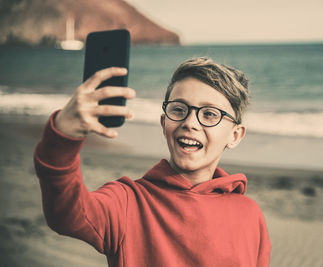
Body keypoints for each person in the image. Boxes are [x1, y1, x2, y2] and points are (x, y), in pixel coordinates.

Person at [34, 57, 271, 266]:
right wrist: (64, 136)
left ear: (235, 135)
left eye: (209, 114)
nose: (190, 122)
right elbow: (66, 214)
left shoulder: (250, 214)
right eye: (178, 109)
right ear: (163, 123)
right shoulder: (127, 202)